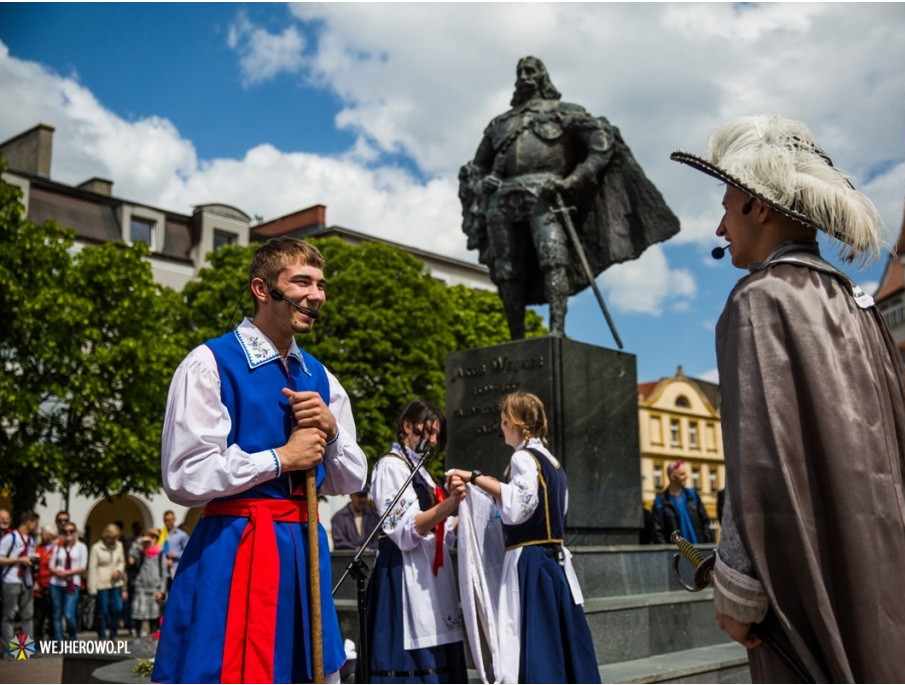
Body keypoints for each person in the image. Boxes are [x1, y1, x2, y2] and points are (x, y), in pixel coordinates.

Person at [671, 114, 905, 682]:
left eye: (726, 205)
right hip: (886, 571)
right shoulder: (858, 304)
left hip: (805, 583)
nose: (721, 228)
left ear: (758, 205)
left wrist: (739, 587)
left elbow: (760, 461)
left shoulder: (761, 299)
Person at [153, 237, 367, 683]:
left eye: (321, 285)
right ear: (262, 288)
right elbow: (183, 475)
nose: (316, 295)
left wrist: (331, 432)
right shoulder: (210, 362)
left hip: (303, 547)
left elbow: (349, 478)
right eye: (302, 282)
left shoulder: (322, 376)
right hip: (235, 547)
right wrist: (280, 458)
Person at [459, 56, 678, 338]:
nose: (524, 76)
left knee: (553, 258)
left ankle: (557, 331)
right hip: (503, 200)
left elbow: (601, 144)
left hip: (545, 195)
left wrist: (571, 181)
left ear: (542, 77)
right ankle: (516, 339)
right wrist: (481, 180)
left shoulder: (563, 112)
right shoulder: (500, 124)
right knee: (507, 270)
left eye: (531, 71)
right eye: (520, 72)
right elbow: (477, 165)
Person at [449, 391, 601, 683]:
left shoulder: (522, 457)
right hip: (554, 562)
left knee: (529, 637)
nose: (501, 426)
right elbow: (551, 506)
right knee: (556, 637)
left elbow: (519, 506)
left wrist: (474, 477)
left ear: (516, 423)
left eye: (504, 420)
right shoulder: (552, 462)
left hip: (529, 562)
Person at [365, 399, 468, 683]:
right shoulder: (391, 466)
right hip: (404, 568)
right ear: (407, 427)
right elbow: (406, 528)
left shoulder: (420, 469)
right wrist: (452, 503)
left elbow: (441, 530)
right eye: (427, 432)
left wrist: (476, 515)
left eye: (436, 434)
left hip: (430, 570)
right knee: (410, 656)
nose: (432, 440)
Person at [1, 510, 39, 650]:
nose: (36, 527)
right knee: (9, 616)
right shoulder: (10, 538)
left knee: (28, 616)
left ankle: (27, 648)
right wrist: (19, 560)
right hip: (11, 580)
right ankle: (8, 649)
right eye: (35, 524)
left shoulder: (32, 539)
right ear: (29, 523)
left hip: (27, 581)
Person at [650, 461, 713, 544]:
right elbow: (658, 534)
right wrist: (670, 554)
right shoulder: (660, 504)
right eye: (682, 474)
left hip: (699, 553)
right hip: (678, 555)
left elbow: (705, 522)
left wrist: (707, 547)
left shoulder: (693, 496)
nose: (686, 476)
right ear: (672, 477)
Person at [49, 521, 87, 642]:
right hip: (56, 583)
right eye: (65, 531)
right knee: (56, 615)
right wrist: (58, 572)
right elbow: (51, 565)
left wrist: (68, 572)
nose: (68, 533)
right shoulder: (58, 548)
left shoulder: (81, 547)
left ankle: (72, 638)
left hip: (72, 583)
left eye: (71, 531)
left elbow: (83, 566)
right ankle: (59, 641)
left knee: (69, 615)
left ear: (75, 532)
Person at [87, 523, 126, 640]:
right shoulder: (96, 548)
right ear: (106, 536)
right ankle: (102, 635)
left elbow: (122, 561)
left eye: (116, 537)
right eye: (112, 537)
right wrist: (92, 588)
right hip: (102, 584)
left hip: (116, 583)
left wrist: (119, 571)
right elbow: (92, 568)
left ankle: (114, 634)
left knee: (118, 608)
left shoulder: (119, 545)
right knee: (103, 611)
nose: (114, 540)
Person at [128, 528, 165, 638]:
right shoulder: (141, 553)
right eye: (150, 538)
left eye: (153, 538)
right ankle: (138, 637)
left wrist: (161, 590)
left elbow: (164, 573)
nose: (150, 541)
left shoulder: (160, 554)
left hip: (154, 589)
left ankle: (152, 637)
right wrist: (141, 540)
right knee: (139, 614)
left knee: (153, 616)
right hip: (141, 588)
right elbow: (131, 552)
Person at [33, 523, 58, 640]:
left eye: (43, 533)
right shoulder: (40, 547)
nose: (41, 535)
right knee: (38, 617)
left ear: (50, 535)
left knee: (53, 616)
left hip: (53, 585)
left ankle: (53, 642)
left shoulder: (59, 547)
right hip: (39, 586)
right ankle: (37, 643)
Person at [161, 510, 188, 596]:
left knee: (174, 594)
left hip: (175, 570)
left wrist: (175, 554)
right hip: (163, 570)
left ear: (174, 519)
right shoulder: (162, 535)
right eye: (165, 520)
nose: (167, 522)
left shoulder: (182, 535)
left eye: (169, 520)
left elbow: (187, 552)